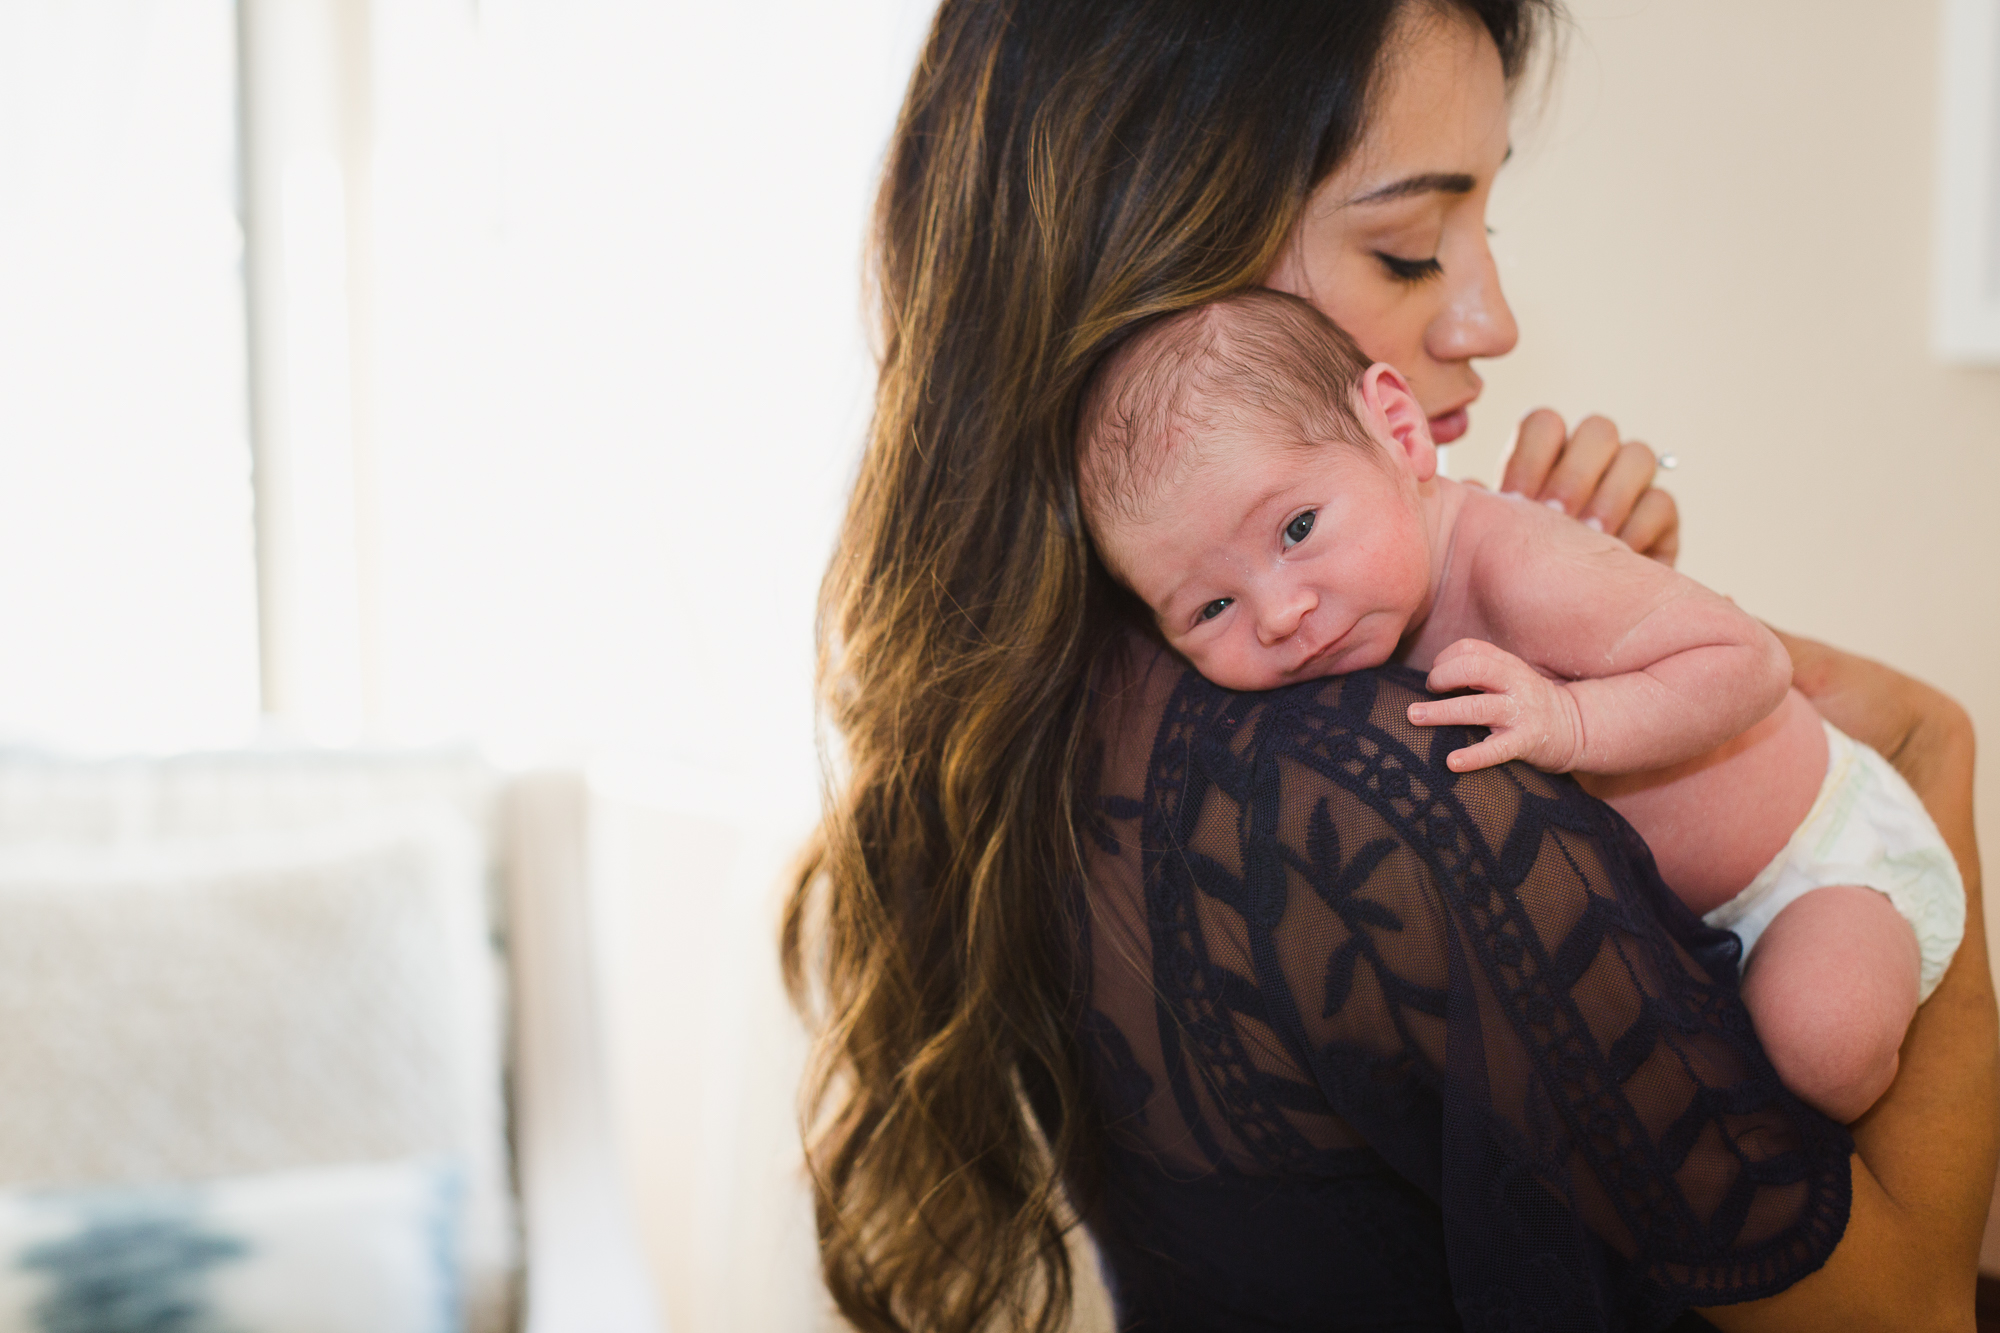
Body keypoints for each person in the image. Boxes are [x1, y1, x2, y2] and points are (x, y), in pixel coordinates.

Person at [782, 1, 1999, 1329]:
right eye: (1411, 247)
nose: (1490, 318)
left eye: (1488, 229)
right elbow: (1911, 1308)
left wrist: (1591, 643)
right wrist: (1927, 746)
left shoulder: (1056, 713)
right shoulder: (1395, 795)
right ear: (1155, 243)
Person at [1076, 287, 1964, 1124]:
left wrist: (1572, 721)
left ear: (1397, 430)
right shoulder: (1356, 624)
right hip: (1697, 919)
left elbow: (1749, 662)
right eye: (1210, 607)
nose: (1280, 615)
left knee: (1824, 1048)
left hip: (1815, 855)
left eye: (1298, 528)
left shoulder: (1518, 568)